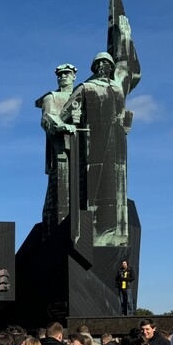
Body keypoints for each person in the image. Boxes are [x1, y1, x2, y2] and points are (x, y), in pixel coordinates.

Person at [62, 52, 135, 246]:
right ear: (94, 68)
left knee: (118, 189)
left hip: (118, 145)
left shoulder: (117, 89)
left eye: (106, 63)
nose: (103, 66)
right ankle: (97, 234)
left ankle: (117, 233)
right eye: (99, 63)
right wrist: (74, 116)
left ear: (111, 68)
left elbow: (121, 111)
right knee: (96, 188)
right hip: (93, 143)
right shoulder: (86, 87)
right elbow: (65, 113)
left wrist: (126, 121)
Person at [36, 63, 78, 236]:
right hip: (60, 150)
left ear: (74, 76)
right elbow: (47, 119)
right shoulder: (51, 97)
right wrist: (63, 126)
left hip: (82, 149)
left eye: (66, 74)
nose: (63, 77)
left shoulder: (81, 94)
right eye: (60, 74)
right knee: (59, 191)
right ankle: (54, 231)